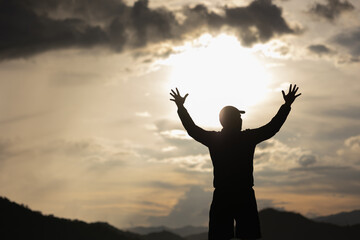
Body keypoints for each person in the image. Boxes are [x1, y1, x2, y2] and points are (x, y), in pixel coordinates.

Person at [170, 84, 301, 240]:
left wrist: (181, 108)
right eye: (238, 117)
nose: (241, 120)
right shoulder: (247, 138)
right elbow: (272, 128)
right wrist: (286, 106)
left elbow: (192, 129)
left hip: (223, 195)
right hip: (243, 195)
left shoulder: (215, 139)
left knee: (219, 236)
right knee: (249, 236)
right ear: (232, 120)